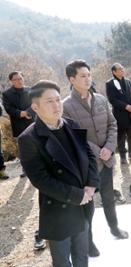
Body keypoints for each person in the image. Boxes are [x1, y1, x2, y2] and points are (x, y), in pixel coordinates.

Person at [18, 80, 100, 267]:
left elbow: (89, 156)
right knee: (62, 261)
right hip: (58, 208)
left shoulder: (71, 124)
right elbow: (40, 179)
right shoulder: (28, 139)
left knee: (82, 255)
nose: (57, 105)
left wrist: (91, 185)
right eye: (49, 102)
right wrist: (77, 195)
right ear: (35, 107)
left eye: (58, 99)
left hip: (83, 203)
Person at [63, 59, 128, 258]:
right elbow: (73, 134)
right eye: (82, 76)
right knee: (88, 206)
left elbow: (113, 125)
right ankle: (88, 242)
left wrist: (109, 148)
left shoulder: (100, 99)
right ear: (71, 79)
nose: (87, 79)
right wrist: (97, 151)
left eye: (89, 75)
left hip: (107, 159)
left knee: (109, 198)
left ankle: (114, 228)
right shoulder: (66, 106)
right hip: (86, 165)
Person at [106, 62, 131, 164]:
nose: (122, 70)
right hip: (119, 114)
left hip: (130, 113)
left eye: (122, 68)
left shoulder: (128, 81)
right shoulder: (110, 83)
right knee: (121, 136)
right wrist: (125, 106)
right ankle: (122, 156)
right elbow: (112, 99)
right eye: (120, 69)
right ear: (114, 72)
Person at [3, 71, 35, 177]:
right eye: (16, 79)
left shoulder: (31, 90)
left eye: (20, 78)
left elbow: (35, 103)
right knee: (23, 147)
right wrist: (21, 113)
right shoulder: (7, 94)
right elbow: (8, 108)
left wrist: (28, 112)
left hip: (32, 120)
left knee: (37, 144)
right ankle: (25, 169)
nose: (19, 81)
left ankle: (39, 167)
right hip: (18, 123)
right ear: (11, 81)